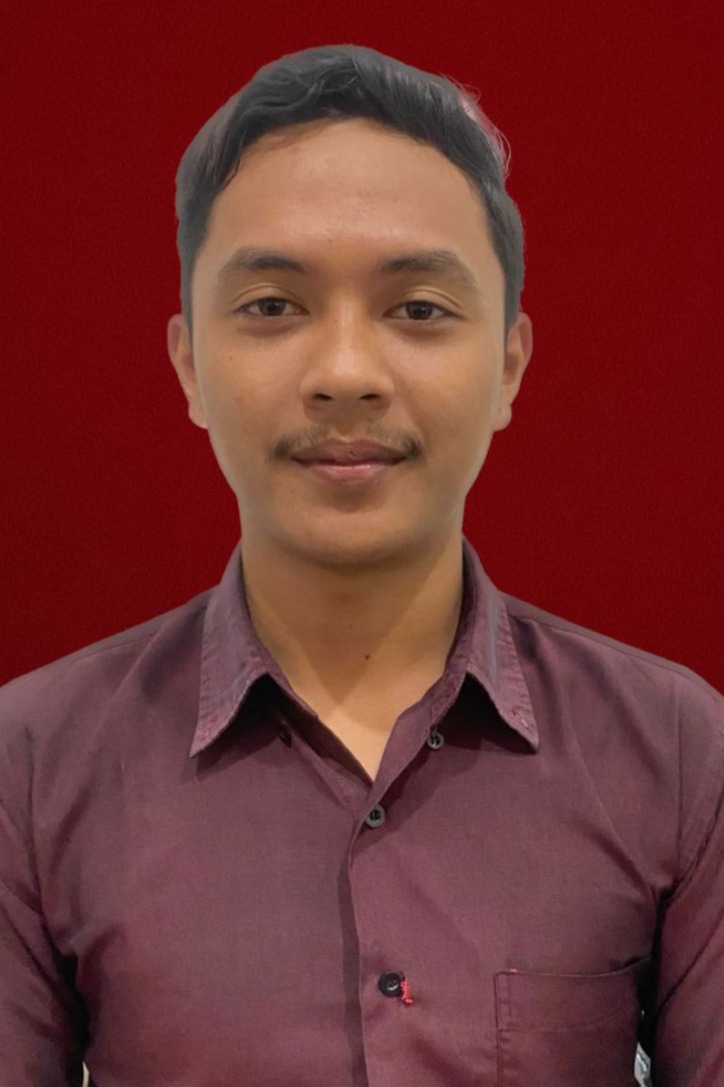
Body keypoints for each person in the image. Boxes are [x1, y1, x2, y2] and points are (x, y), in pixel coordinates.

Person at [0, 42, 721, 1087]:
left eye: (417, 308)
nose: (345, 373)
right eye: (273, 306)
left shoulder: (678, 753)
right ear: (190, 364)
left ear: (508, 364)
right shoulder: (28, 768)